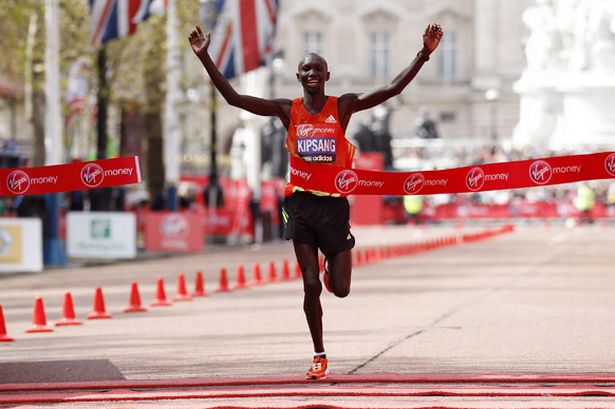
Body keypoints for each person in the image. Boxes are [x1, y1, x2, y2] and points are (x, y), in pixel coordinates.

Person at [189, 23, 443, 380]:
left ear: (327, 75)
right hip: (301, 205)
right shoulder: (286, 110)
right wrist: (205, 58)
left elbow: (392, 89)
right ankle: (319, 354)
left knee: (339, 289)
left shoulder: (343, 107)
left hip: (335, 207)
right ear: (298, 76)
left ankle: (330, 269)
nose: (311, 73)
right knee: (309, 285)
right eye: (305, 69)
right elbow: (235, 99)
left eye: (317, 69)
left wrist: (424, 53)